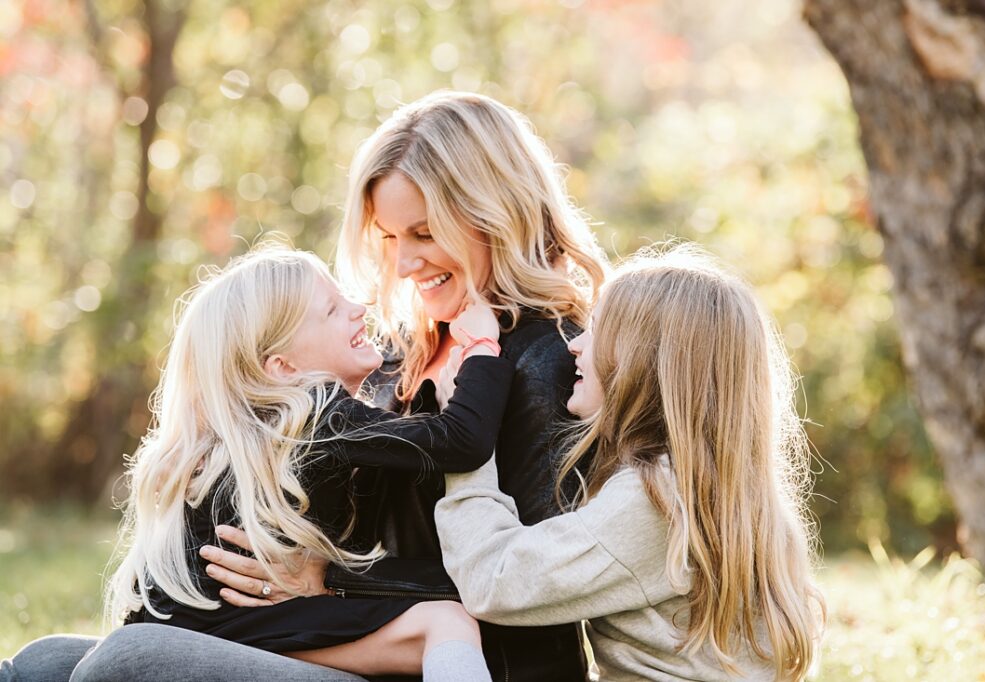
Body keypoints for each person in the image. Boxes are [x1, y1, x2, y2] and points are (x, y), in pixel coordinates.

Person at [2, 91, 607, 682]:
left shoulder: (551, 361)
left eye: (424, 234)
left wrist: (333, 581)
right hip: (335, 636)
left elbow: (544, 579)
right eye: (390, 238)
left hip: (468, 661)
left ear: (494, 217)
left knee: (128, 661)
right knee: (44, 662)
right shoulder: (395, 356)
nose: (401, 265)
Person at [106, 242, 514, 680]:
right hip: (208, 633)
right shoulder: (317, 412)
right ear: (282, 367)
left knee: (433, 626)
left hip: (200, 628)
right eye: (332, 311)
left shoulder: (261, 435)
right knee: (445, 622)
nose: (359, 309)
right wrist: (482, 348)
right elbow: (462, 441)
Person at [434, 245, 827, 680]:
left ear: (646, 360)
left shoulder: (652, 500)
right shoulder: (717, 489)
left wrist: (469, 429)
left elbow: (496, 582)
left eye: (596, 329)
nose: (575, 345)